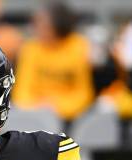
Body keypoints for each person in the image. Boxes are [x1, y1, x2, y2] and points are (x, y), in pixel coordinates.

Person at [12, 2, 95, 131]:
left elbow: (84, 94)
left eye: (42, 24)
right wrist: (37, 107)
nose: (36, 28)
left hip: (69, 118)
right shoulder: (31, 48)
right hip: (34, 115)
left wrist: (57, 106)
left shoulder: (78, 46)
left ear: (58, 25)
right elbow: (21, 91)